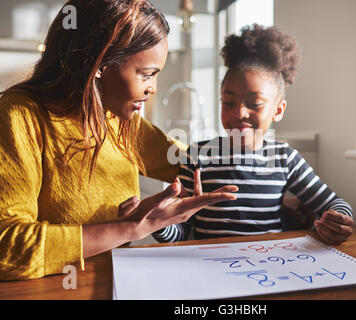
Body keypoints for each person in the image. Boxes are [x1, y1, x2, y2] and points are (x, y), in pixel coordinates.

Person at [0, 0, 238, 280]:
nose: (153, 89)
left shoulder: (119, 119)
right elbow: (8, 248)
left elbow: (192, 164)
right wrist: (131, 227)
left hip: (115, 282)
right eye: (147, 74)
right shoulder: (20, 114)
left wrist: (277, 185)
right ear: (100, 63)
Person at [151, 24, 354, 245]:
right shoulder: (197, 156)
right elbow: (179, 232)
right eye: (229, 102)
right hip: (209, 266)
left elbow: (334, 203)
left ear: (278, 110)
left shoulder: (284, 159)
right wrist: (160, 223)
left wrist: (338, 220)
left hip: (270, 264)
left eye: (254, 103)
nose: (239, 112)